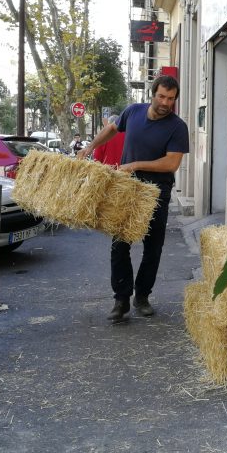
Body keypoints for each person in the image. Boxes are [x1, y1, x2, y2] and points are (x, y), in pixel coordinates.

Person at [78, 75, 190, 322]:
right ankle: (121, 300)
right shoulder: (133, 112)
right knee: (120, 245)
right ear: (152, 94)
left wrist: (135, 164)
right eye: (161, 96)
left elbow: (172, 162)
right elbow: (111, 129)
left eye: (170, 99)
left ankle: (142, 296)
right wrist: (90, 147)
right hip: (126, 189)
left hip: (156, 193)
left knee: (153, 247)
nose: (165, 102)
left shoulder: (177, 127)